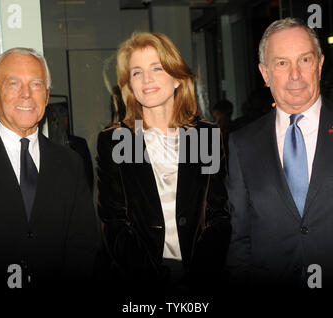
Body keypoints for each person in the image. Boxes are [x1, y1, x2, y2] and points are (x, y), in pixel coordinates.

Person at [226, 18, 333, 288]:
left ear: (320, 64)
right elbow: (239, 238)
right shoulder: (242, 143)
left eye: (304, 60)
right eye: (281, 63)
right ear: (265, 73)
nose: (295, 75)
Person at [0, 47, 96, 289]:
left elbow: (83, 246)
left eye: (36, 85)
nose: (26, 94)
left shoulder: (70, 163)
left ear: (46, 95)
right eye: (13, 83)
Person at [95, 32, 231, 294]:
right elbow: (114, 223)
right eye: (136, 72)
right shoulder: (116, 141)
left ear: (178, 77)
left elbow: (219, 217)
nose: (146, 79)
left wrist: (196, 280)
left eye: (156, 68)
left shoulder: (205, 136)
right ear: (129, 85)